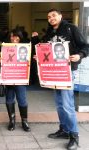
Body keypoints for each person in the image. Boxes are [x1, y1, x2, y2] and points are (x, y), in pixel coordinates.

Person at [32, 9, 89, 150]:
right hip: (53, 72)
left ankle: (74, 136)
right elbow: (45, 50)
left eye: (53, 15)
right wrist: (38, 55)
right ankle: (64, 130)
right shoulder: (50, 33)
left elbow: (85, 46)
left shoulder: (71, 28)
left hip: (67, 71)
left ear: (60, 16)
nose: (51, 18)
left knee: (67, 105)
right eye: (49, 17)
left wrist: (79, 55)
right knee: (59, 104)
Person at [0, 29, 31, 132]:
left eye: (16, 36)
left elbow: (30, 62)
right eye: (12, 36)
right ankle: (12, 121)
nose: (14, 38)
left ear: (20, 37)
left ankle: (24, 121)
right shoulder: (4, 47)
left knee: (22, 100)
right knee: (9, 100)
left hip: (20, 78)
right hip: (8, 77)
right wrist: (0, 60)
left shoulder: (26, 47)